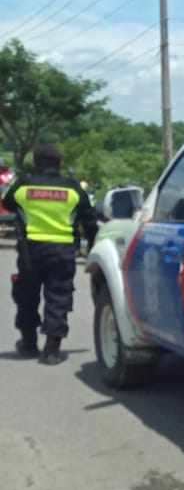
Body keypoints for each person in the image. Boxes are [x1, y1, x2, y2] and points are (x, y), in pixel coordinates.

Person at [2, 144, 97, 364]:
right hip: (63, 252)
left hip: (30, 251)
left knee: (26, 296)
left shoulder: (22, 186)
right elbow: (89, 220)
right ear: (60, 164)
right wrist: (91, 246)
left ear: (35, 164)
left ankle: (28, 344)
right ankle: (52, 350)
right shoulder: (73, 189)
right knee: (59, 298)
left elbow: (7, 204)